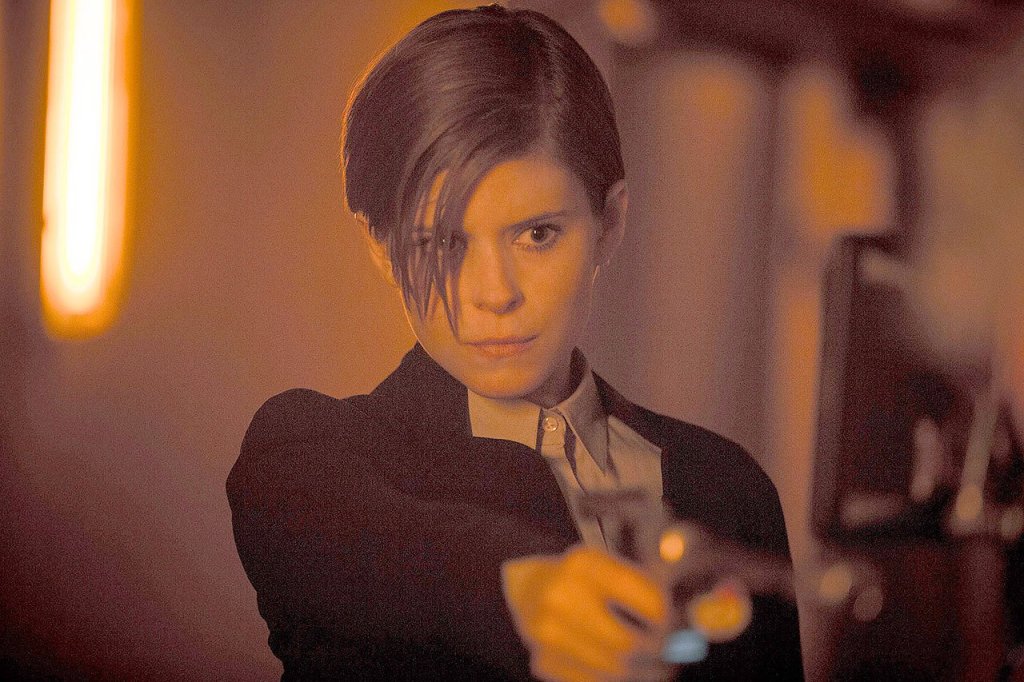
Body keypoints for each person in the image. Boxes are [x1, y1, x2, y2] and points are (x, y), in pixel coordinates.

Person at [227, 5, 803, 680]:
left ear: (610, 223)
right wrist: (527, 590)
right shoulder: (314, 458)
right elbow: (336, 535)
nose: (494, 293)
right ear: (381, 247)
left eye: (537, 235)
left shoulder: (729, 489)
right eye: (443, 242)